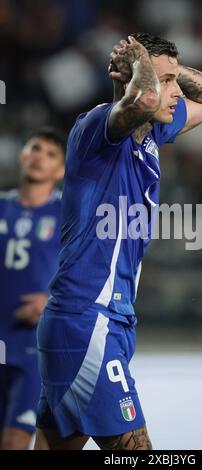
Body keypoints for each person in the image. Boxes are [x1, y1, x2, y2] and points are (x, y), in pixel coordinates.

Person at [34, 33, 202, 451]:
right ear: (131, 81)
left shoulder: (151, 136)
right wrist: (140, 64)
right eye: (167, 82)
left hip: (106, 321)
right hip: (88, 318)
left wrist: (163, 69)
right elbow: (141, 101)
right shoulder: (95, 129)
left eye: (176, 81)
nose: (176, 92)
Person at [0, 128, 65, 450]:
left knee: (14, 440)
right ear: (23, 154)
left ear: (61, 170)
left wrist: (52, 301)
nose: (40, 156)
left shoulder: (69, 215)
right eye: (35, 148)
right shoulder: (1, 205)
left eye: (51, 154)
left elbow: (91, 272)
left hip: (31, 346)